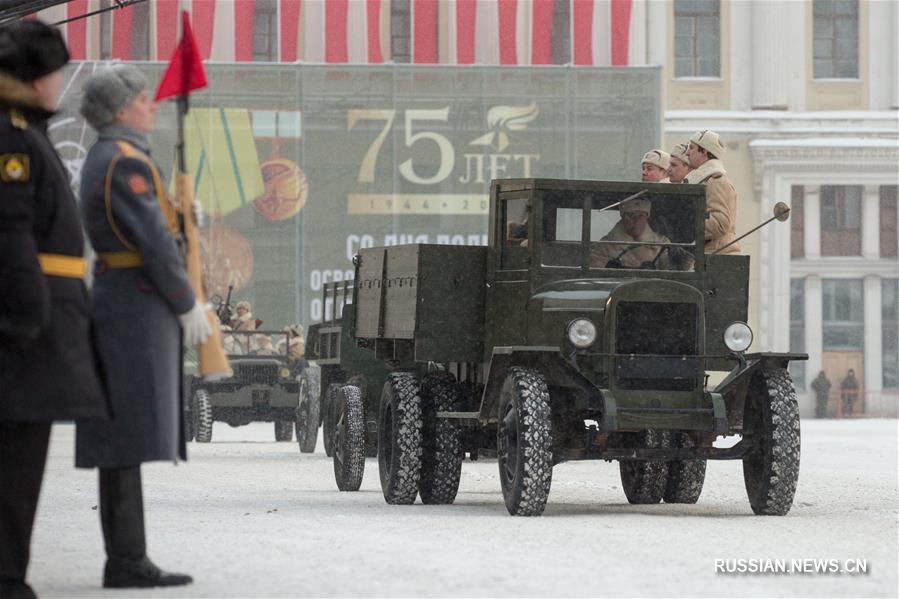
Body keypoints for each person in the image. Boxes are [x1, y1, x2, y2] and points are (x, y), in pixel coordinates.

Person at [76, 64, 211, 589]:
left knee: (125, 439)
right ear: (117, 111)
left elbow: (152, 227)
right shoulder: (122, 162)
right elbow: (152, 244)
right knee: (125, 437)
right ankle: (127, 559)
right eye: (139, 98)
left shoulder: (120, 159)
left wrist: (178, 214)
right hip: (134, 306)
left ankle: (128, 556)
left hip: (128, 302)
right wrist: (185, 302)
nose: (151, 104)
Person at [0, 21, 109, 599]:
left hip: (36, 318)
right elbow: (13, 234)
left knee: (21, 462)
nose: (61, 82)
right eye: (55, 72)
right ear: (34, 78)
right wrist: (26, 317)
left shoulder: (21, 132)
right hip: (27, 329)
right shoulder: (13, 138)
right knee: (15, 465)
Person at [684, 130, 739, 254]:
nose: (687, 153)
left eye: (692, 148)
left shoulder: (717, 181)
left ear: (705, 152)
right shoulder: (704, 180)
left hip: (716, 256)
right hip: (708, 254)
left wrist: (687, 229)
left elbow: (721, 223)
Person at [590, 197, 681, 269]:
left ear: (646, 217)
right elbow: (596, 273)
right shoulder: (606, 245)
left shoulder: (661, 243)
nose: (636, 220)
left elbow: (670, 274)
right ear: (623, 217)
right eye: (630, 215)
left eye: (641, 215)